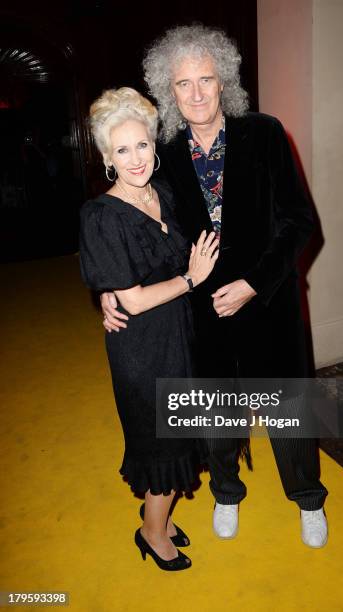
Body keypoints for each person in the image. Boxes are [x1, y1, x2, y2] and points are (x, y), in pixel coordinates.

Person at [101, 25, 329, 548]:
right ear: (169, 91)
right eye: (184, 84)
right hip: (202, 313)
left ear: (224, 81)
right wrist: (111, 288)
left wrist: (253, 282)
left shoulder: (265, 133)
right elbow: (136, 223)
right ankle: (227, 491)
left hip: (268, 301)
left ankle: (308, 499)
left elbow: (299, 221)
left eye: (207, 79)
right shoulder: (164, 157)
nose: (198, 93)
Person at [79, 87, 219, 571]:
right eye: (122, 150)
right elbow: (134, 299)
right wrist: (189, 279)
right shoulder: (100, 216)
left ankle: (157, 517)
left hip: (180, 339)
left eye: (142, 145)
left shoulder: (163, 194)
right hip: (142, 351)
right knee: (162, 445)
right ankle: (151, 531)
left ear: (154, 145)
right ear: (106, 157)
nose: (135, 158)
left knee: (179, 435)